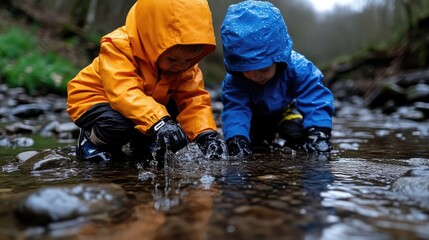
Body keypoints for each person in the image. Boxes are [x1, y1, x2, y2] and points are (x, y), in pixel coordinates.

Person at [67, 0, 226, 162]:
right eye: (172, 59)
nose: (181, 65)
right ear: (152, 42)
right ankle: (93, 140)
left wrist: (205, 134)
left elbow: (193, 100)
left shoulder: (185, 64)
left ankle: (143, 143)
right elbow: (124, 92)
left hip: (143, 104)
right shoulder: (118, 47)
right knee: (118, 123)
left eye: (189, 60)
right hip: (94, 99)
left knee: (172, 113)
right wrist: (160, 123)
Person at [220, 1, 334, 157]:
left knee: (297, 136)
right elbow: (235, 109)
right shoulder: (234, 80)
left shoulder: (298, 67)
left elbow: (315, 98)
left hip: (285, 111)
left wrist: (318, 132)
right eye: (246, 70)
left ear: (278, 59)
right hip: (253, 117)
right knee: (253, 144)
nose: (255, 76)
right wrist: (236, 138)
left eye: (263, 69)